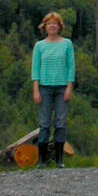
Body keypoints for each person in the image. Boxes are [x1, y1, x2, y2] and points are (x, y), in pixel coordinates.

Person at [31, 12, 75, 168]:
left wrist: (69, 88)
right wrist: (36, 90)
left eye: (54, 23)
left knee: (60, 123)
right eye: (49, 23)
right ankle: (42, 160)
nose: (52, 26)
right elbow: (35, 69)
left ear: (59, 26)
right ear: (45, 26)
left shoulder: (67, 44)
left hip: (62, 87)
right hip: (44, 88)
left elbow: (71, 67)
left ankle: (59, 159)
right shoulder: (39, 46)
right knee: (44, 124)